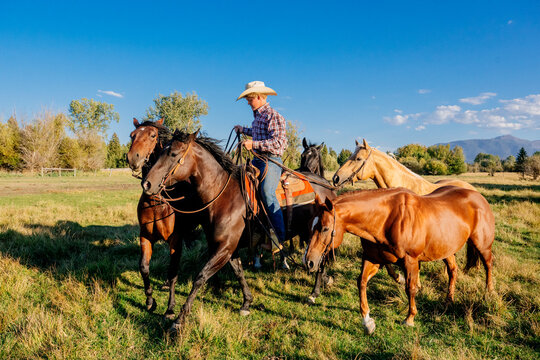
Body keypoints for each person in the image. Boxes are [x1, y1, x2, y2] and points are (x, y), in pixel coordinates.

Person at [234, 80, 289, 270]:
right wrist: (244, 131)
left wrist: (253, 144)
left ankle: (278, 238)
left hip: (272, 161)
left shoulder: (274, 116)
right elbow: (259, 135)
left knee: (267, 192)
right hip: (257, 160)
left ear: (258, 97)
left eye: (249, 99)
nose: (248, 102)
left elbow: (279, 143)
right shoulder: (257, 118)